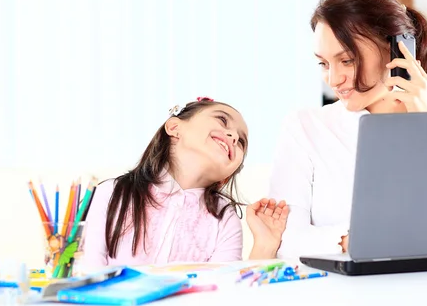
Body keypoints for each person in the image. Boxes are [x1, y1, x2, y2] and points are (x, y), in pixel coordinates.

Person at [270, 0, 427, 259]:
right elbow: (286, 242)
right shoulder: (305, 127)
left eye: (347, 60)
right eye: (324, 64)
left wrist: (424, 127)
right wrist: (368, 238)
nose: (334, 80)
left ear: (397, 51)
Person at [81, 97, 289, 270]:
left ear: (227, 175)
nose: (234, 136)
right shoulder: (110, 193)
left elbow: (227, 295)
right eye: (222, 121)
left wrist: (264, 246)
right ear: (174, 127)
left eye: (241, 142)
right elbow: (88, 272)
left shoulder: (224, 219)